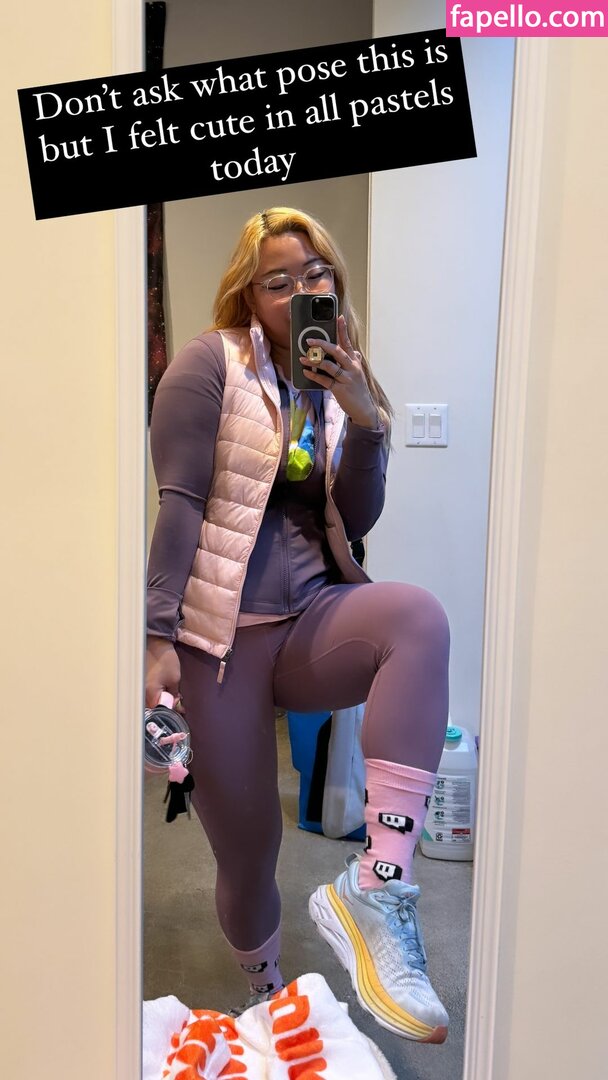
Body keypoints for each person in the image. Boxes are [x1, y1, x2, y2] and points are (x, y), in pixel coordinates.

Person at [146, 206, 451, 1043]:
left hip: (315, 617)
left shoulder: (341, 379)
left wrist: (367, 419)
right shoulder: (208, 365)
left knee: (417, 620)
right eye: (277, 281)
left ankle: (377, 885)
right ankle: (265, 992)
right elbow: (179, 507)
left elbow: (357, 515)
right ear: (248, 294)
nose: (300, 291)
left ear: (335, 283)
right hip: (220, 642)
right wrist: (156, 640)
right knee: (249, 853)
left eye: (315, 275)